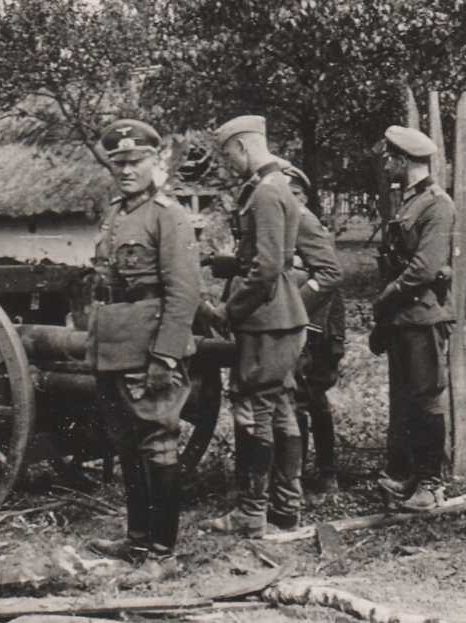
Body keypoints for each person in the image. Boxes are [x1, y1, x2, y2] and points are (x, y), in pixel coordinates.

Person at [85, 119, 200, 587]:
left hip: (149, 347)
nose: (127, 170)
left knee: (157, 442)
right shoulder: (116, 213)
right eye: (119, 163)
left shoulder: (166, 215)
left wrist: (166, 355)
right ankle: (137, 539)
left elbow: (184, 291)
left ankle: (163, 553)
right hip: (113, 344)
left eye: (135, 162)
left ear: (156, 162)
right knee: (127, 443)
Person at [200, 116, 308, 536]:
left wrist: (228, 311)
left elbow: (266, 269)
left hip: (265, 320)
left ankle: (251, 512)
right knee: (280, 406)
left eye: (229, 153)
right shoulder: (277, 186)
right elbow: (271, 257)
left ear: (243, 146)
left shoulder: (264, 193)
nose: (228, 163)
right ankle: (286, 507)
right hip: (283, 315)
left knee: (253, 410)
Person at [369, 126, 455, 512]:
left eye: (391, 157)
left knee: (426, 398)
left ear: (403, 160)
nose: (387, 164)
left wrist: (385, 299)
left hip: (421, 316)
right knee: (407, 399)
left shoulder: (437, 204)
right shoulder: (408, 202)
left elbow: (423, 268)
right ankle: (409, 478)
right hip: (403, 318)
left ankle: (431, 484)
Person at [281, 164, 345, 501]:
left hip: (319, 327)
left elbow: (331, 279)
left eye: (294, 194)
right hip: (302, 324)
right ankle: (300, 475)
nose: (288, 201)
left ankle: (326, 473)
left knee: (311, 399)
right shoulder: (284, 224)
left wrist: (296, 311)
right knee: (299, 400)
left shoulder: (308, 225)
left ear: (303, 196)